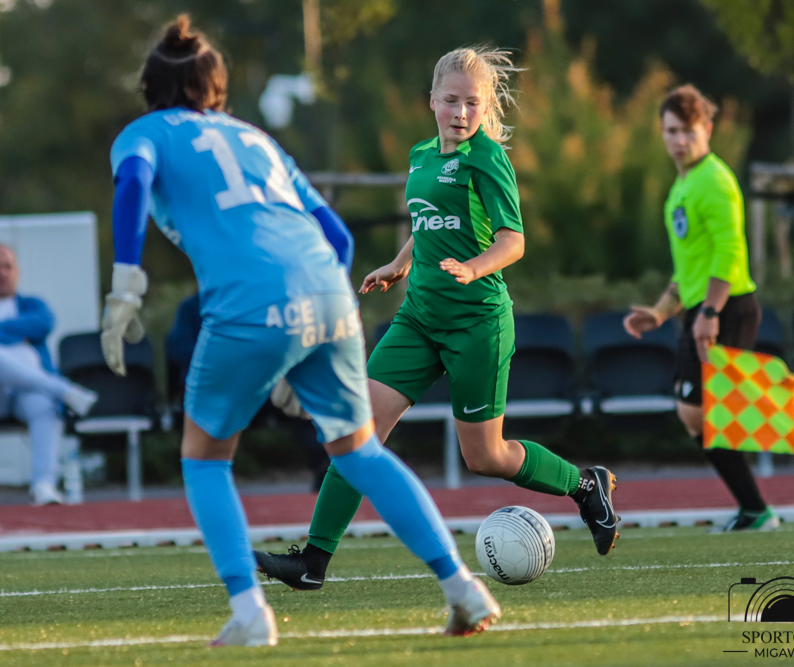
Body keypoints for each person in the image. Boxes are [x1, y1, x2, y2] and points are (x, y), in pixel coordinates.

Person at [103, 16, 500, 647]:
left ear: (151, 89)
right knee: (360, 451)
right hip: (329, 292)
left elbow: (132, 181)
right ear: (216, 87)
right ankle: (463, 588)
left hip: (248, 303)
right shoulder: (254, 138)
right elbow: (337, 234)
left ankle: (249, 611)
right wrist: (310, 331)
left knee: (204, 459)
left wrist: (126, 282)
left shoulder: (144, 132)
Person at [257, 46, 620, 592]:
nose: (461, 112)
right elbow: (429, 221)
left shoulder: (487, 159)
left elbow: (513, 242)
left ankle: (585, 485)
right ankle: (313, 561)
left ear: (485, 106)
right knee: (356, 433)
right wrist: (400, 263)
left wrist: (473, 268)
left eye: (472, 102)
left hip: (477, 324)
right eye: (451, 100)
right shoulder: (421, 155)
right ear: (431, 100)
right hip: (419, 319)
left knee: (486, 456)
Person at [623, 85, 794, 533]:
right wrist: (660, 312)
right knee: (702, 415)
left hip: (728, 306)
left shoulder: (715, 180)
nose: (679, 140)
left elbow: (729, 251)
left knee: (699, 411)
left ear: (708, 128)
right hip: (704, 308)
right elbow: (689, 267)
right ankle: (757, 506)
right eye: (671, 131)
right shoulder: (681, 185)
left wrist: (710, 313)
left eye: (688, 130)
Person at [0, 243, 98, 506]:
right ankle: (63, 389)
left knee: (43, 404)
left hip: (24, 394)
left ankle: (43, 484)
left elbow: (43, 324)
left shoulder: (33, 305)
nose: (2, 273)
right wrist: (17, 336)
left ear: (17, 271)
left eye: (8, 267)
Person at [167, 292, 331, 491]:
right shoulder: (193, 307)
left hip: (265, 386)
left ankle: (324, 466)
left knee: (302, 400)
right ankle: (202, 470)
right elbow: (178, 348)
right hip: (219, 388)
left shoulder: (258, 302)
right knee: (206, 462)